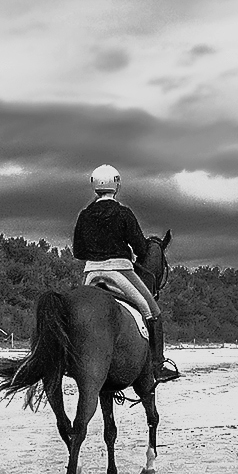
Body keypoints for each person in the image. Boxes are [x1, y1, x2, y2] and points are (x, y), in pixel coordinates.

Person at [72, 164, 178, 383]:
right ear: (116, 185)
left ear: (94, 186)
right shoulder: (123, 213)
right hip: (120, 271)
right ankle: (158, 365)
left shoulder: (84, 215)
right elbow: (141, 249)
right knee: (153, 312)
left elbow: (78, 251)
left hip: (91, 273)